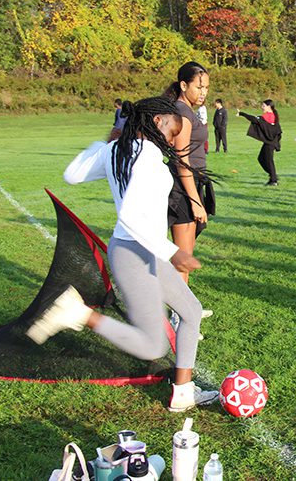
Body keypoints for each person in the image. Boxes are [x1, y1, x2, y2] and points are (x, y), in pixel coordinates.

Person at [41, 96, 219, 412]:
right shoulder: (147, 158)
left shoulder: (119, 150)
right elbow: (132, 218)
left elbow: (72, 173)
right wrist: (174, 252)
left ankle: (183, 392)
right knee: (154, 345)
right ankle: (79, 314)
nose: (174, 135)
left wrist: (107, 140)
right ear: (157, 122)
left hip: (140, 250)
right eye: (172, 127)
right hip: (136, 253)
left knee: (190, 310)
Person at [164, 62, 211, 285]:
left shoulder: (187, 110)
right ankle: (179, 314)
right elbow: (182, 161)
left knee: (186, 256)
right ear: (184, 85)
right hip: (183, 190)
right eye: (198, 87)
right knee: (182, 259)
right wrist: (194, 201)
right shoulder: (182, 113)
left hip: (192, 185)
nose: (203, 93)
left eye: (206, 88)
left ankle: (184, 309)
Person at [238, 100, 282, 186]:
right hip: (270, 142)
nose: (262, 107)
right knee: (261, 159)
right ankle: (273, 176)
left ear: (269, 107)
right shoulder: (272, 115)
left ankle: (273, 180)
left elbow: (254, 119)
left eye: (263, 106)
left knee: (269, 160)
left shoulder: (268, 116)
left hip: (270, 142)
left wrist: (242, 114)